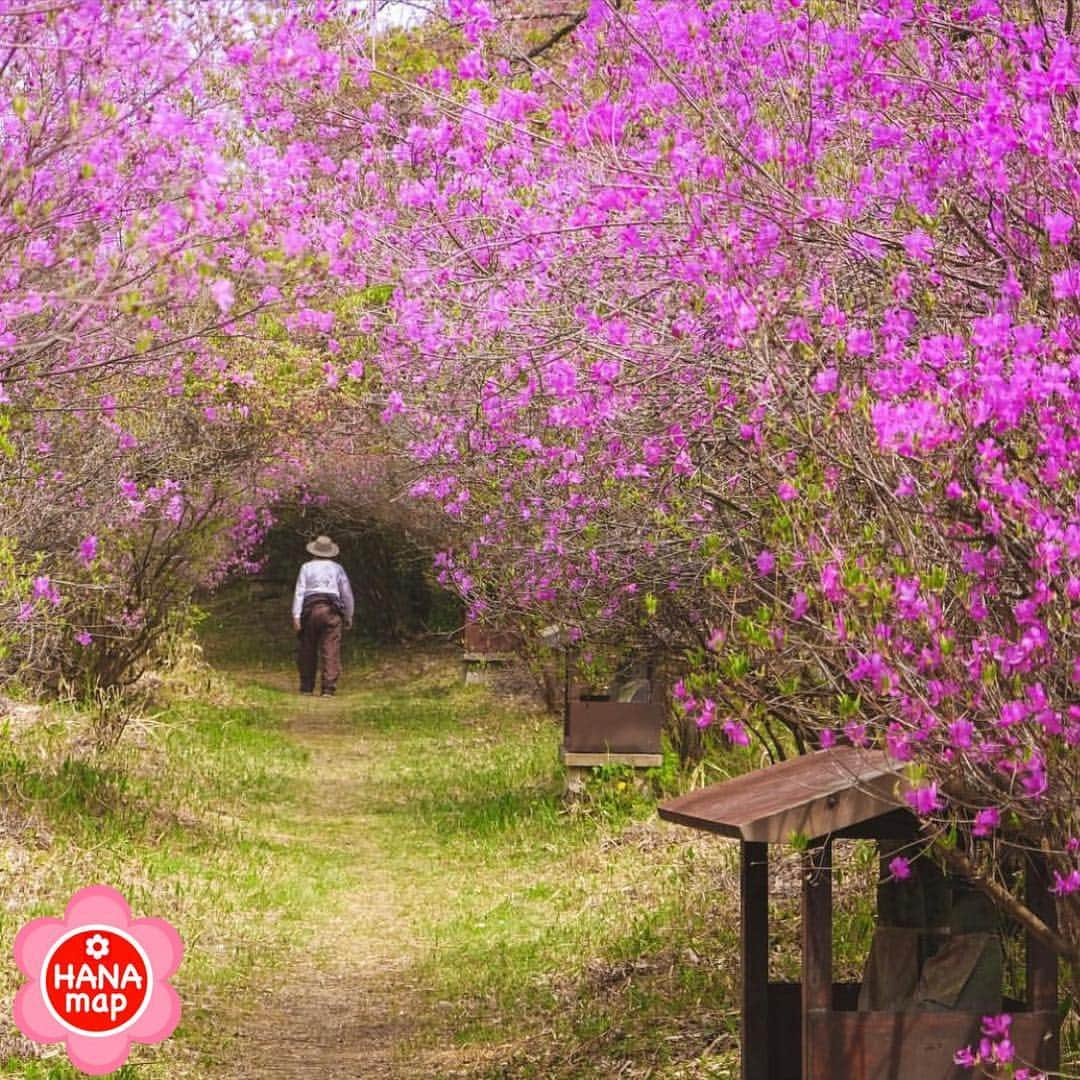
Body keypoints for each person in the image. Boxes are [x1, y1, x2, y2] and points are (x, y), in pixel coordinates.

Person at [292, 535, 354, 696]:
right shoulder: (337, 568)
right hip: (332, 611)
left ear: (314, 551)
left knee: (307, 648)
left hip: (310, 611)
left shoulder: (306, 567)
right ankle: (328, 688)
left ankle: (306, 687)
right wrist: (349, 614)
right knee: (330, 648)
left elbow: (299, 592)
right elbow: (346, 594)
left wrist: (296, 617)